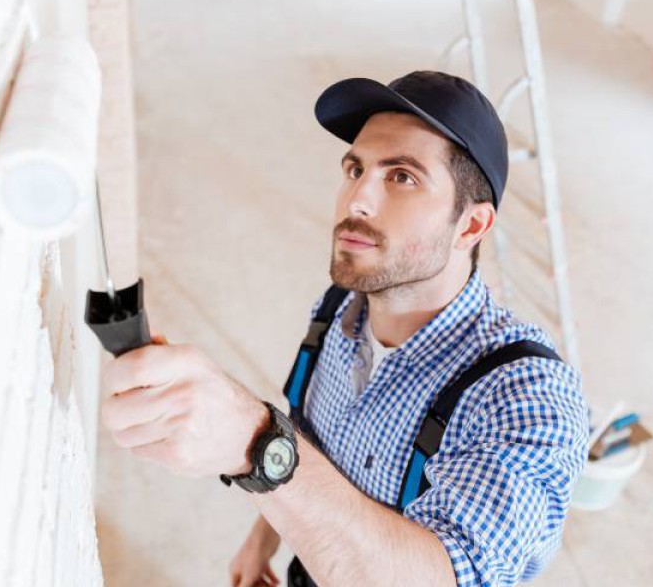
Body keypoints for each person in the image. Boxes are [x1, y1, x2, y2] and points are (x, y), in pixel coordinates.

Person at [100, 70, 591, 587]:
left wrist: (254, 442)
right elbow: (307, 434)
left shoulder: (525, 396)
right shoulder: (338, 309)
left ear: (470, 225)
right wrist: (262, 535)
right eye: (355, 169)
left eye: (401, 177)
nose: (357, 199)